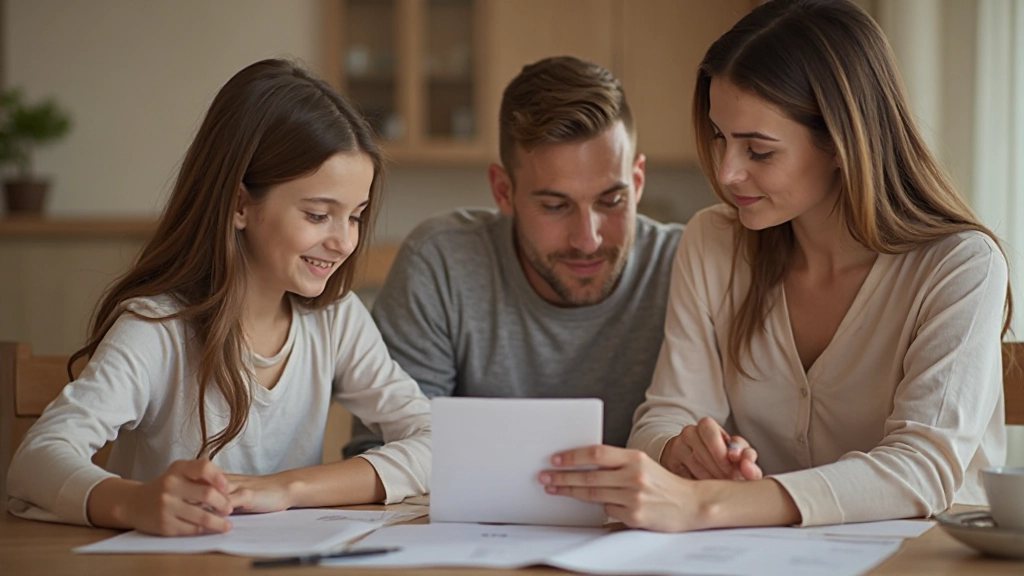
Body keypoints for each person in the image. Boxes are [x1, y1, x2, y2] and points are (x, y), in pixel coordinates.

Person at [541, 0, 1011, 531]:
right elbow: (665, 413)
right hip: (758, 556)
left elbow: (923, 468)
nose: (726, 172)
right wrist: (680, 451)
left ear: (840, 143)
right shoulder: (713, 243)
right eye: (720, 137)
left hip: (924, 560)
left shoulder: (960, 266)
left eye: (758, 151)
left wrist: (706, 504)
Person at [6, 59, 432, 536]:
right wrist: (134, 503)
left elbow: (437, 442)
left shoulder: (337, 320)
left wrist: (287, 488)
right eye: (317, 215)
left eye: (355, 216)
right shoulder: (158, 328)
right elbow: (36, 461)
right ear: (239, 205)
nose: (343, 241)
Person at [344, 56, 683, 456]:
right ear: (503, 191)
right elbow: (383, 457)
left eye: (612, 200)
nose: (587, 239)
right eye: (556, 206)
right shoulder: (441, 264)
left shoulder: (684, 266)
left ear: (638, 181)